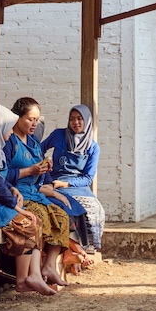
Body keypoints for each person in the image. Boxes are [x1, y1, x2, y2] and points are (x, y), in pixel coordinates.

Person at [0, 105, 55, 296]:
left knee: (34, 220)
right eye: (8, 128)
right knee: (27, 221)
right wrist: (17, 207)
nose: (11, 133)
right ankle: (23, 279)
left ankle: (30, 276)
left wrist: (12, 189)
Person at [6, 97, 93, 286]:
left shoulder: (33, 142)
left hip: (35, 192)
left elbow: (42, 174)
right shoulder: (9, 142)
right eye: (30, 119)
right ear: (17, 118)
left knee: (61, 216)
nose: (34, 124)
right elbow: (1, 175)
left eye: (36, 120)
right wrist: (29, 171)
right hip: (17, 194)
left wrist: (46, 171)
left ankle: (49, 266)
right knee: (40, 218)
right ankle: (34, 273)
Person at [41, 104, 106, 252]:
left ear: (87, 121)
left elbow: (88, 178)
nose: (75, 122)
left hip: (77, 186)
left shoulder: (93, 147)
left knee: (95, 210)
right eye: (72, 119)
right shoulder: (58, 135)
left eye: (79, 118)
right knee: (66, 208)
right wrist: (46, 164)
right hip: (54, 181)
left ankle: (86, 248)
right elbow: (38, 149)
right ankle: (71, 250)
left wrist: (65, 184)